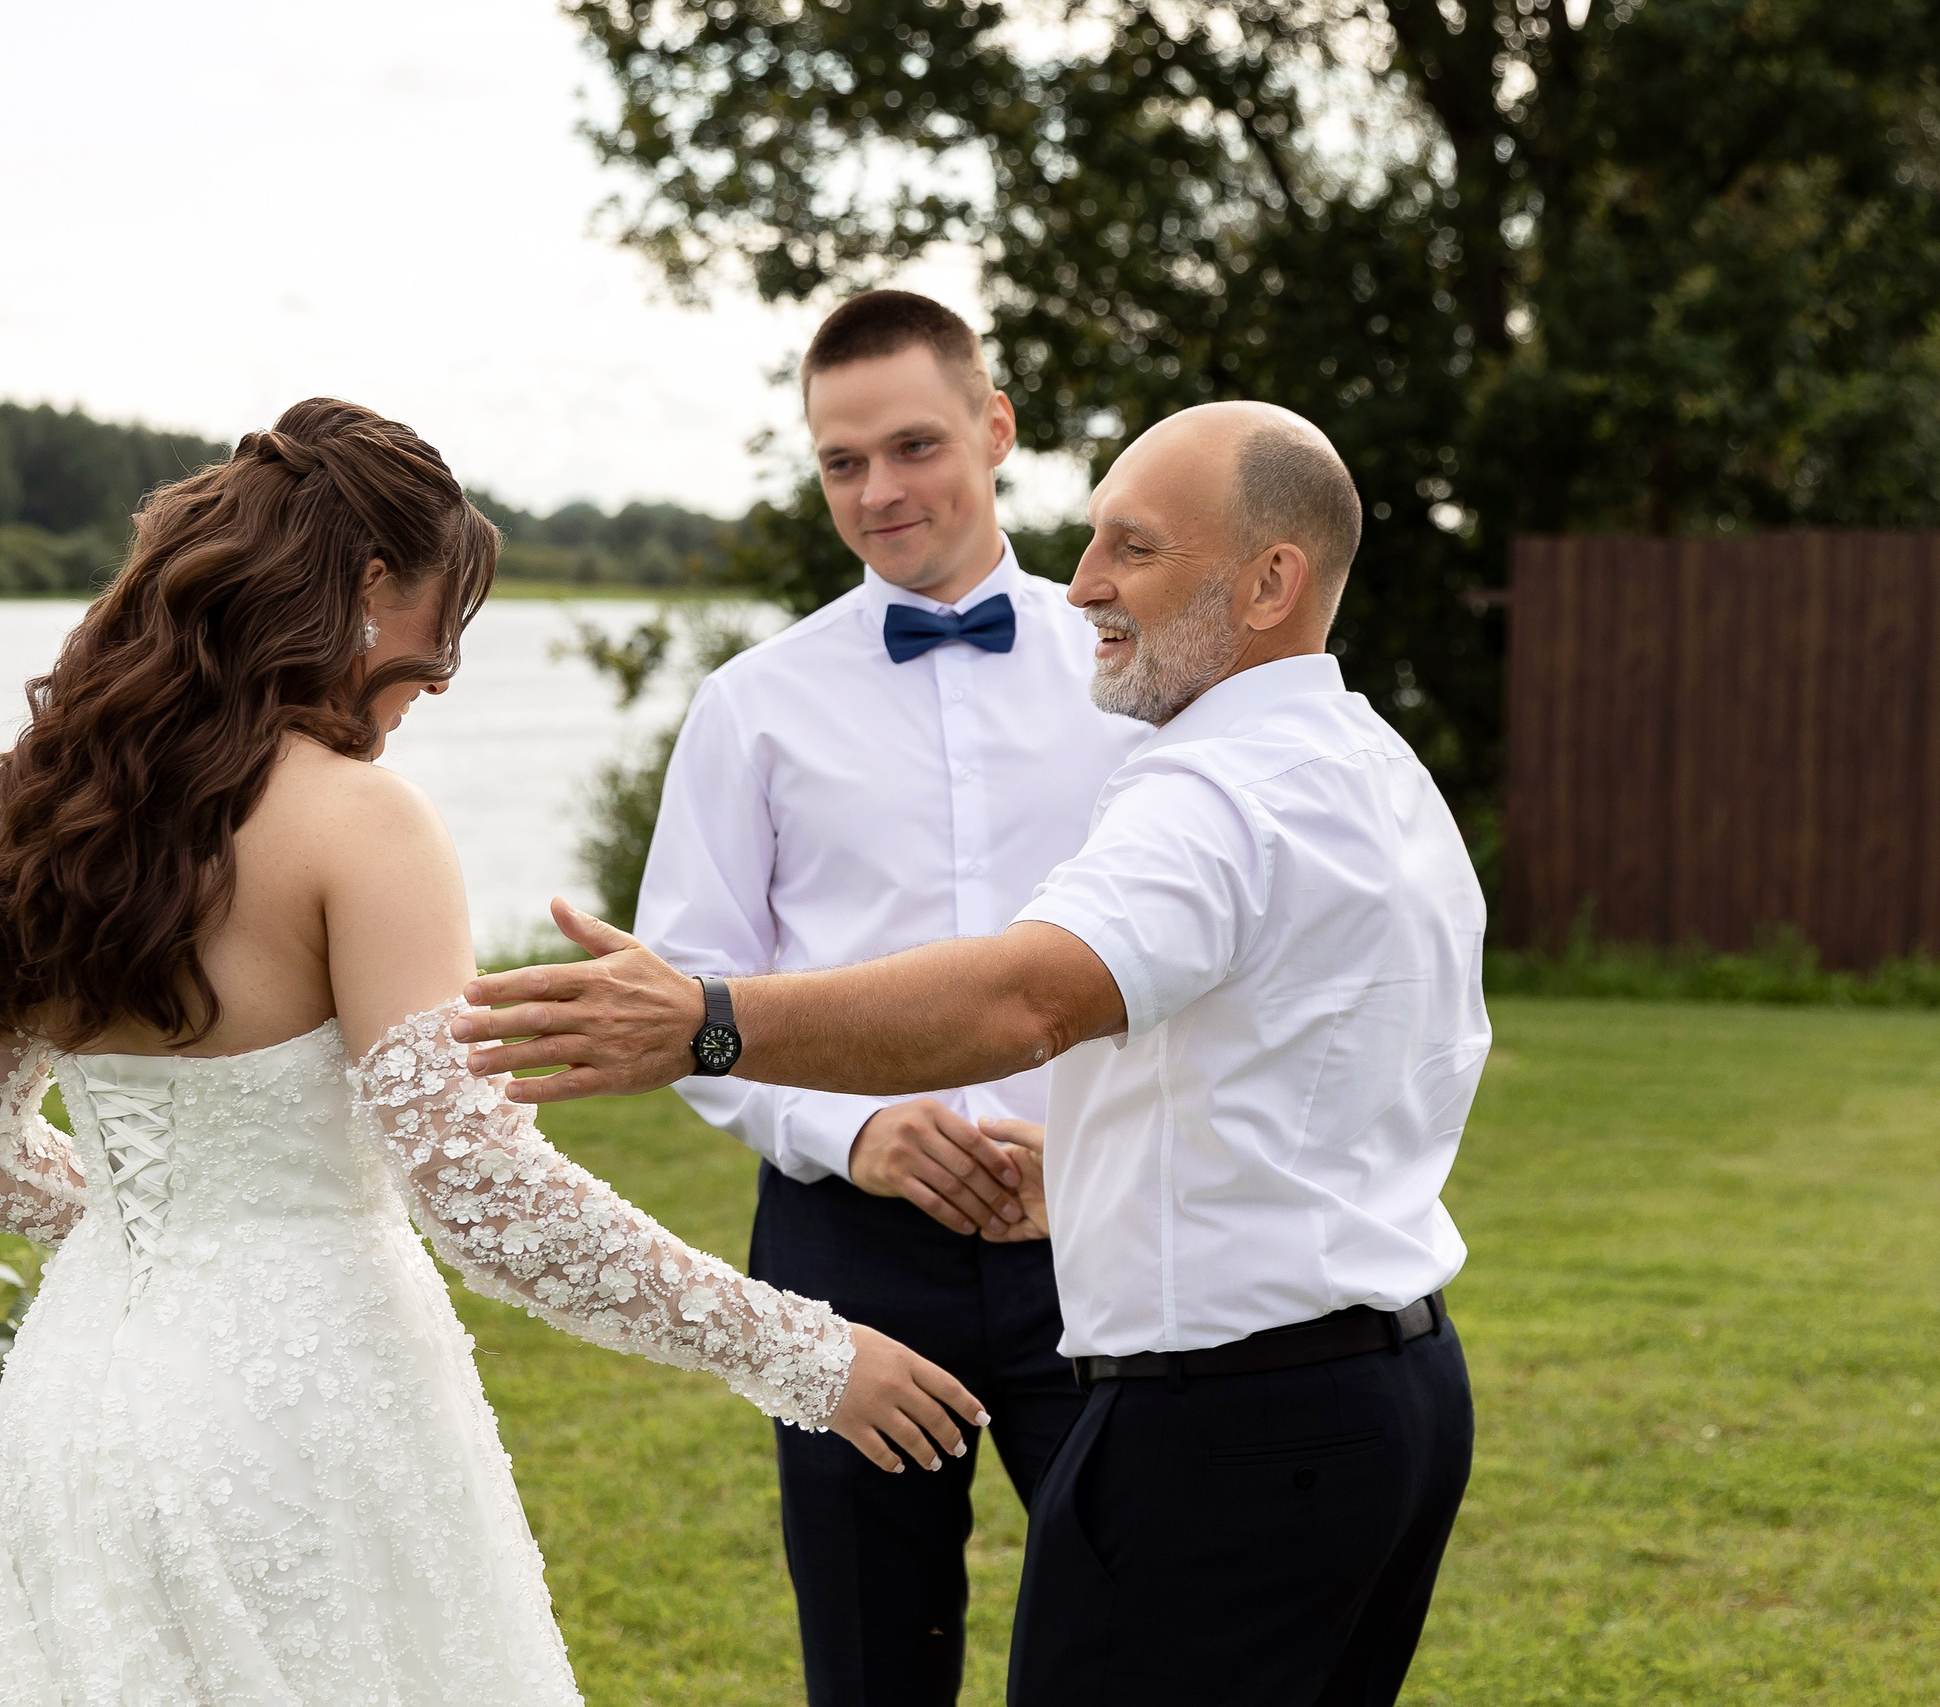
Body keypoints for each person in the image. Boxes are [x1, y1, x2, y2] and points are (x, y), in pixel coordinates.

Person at [0, 398, 986, 1707]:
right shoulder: (362, 822)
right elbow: (483, 1195)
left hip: (78, 1415)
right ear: (365, 587)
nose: (442, 676)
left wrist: (166, 1228)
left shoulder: (48, 814)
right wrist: (805, 1355)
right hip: (296, 1417)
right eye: (439, 625)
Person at [457, 400, 1489, 1706]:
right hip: (1388, 1392)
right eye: (1095, 541)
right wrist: (1108, 1168)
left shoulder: (1214, 793)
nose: (1087, 582)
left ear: (1269, 582)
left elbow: (1023, 1002)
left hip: (1228, 1426)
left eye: (1134, 548)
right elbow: (1357, 1049)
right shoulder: (1373, 763)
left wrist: (709, 1022)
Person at [636, 289, 1145, 1706]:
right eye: (842, 462)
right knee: (871, 1664)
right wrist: (849, 1131)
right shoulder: (752, 703)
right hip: (844, 1252)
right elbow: (687, 999)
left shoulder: (1135, 676)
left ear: (997, 429)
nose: (879, 492)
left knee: (1140, 1639)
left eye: (914, 446)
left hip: (1097, 1226)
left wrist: (1093, 1141)